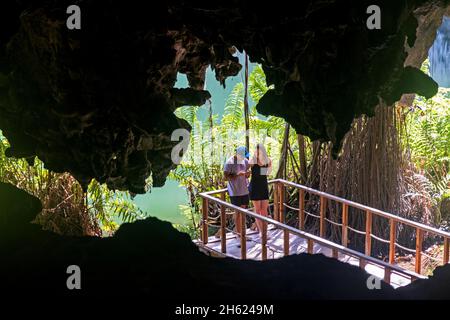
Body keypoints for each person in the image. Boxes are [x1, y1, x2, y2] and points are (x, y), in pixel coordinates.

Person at [223, 146, 250, 242]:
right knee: (238, 213)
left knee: (243, 213)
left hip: (245, 190)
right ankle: (239, 235)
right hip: (235, 192)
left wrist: (247, 174)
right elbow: (225, 177)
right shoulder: (229, 163)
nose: (244, 158)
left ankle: (241, 233)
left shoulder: (245, 161)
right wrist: (237, 175)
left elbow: (248, 172)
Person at [249, 143, 272, 237]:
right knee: (257, 210)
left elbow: (268, 173)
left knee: (264, 210)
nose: (258, 152)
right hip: (254, 186)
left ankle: (265, 231)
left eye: (260, 151)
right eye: (257, 151)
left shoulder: (268, 160)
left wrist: (262, 164)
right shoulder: (253, 160)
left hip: (263, 186)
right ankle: (262, 232)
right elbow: (248, 166)